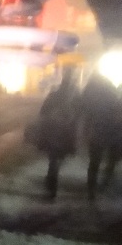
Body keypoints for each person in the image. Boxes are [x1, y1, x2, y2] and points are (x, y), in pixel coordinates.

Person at [31, 66, 80, 200]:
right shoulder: (75, 95)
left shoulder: (56, 94)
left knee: (54, 160)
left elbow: (43, 112)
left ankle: (51, 185)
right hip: (63, 132)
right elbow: (79, 114)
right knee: (56, 160)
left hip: (54, 131)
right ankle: (51, 186)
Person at [79, 72, 122, 201]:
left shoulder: (92, 93)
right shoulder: (111, 92)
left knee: (95, 161)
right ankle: (104, 183)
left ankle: (92, 189)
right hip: (112, 132)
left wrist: (86, 131)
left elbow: (85, 111)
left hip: (99, 131)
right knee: (111, 159)